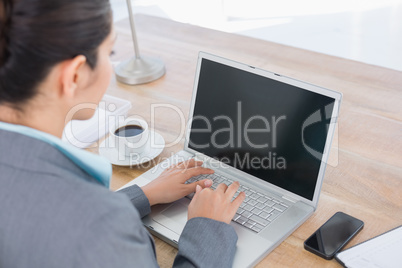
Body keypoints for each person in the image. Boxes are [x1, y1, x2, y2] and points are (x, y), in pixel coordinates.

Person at [0, 0, 245, 267]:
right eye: (110, 52)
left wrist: (143, 194)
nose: (113, 66)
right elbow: (83, 222)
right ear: (74, 76)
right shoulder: (103, 228)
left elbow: (50, 215)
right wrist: (207, 228)